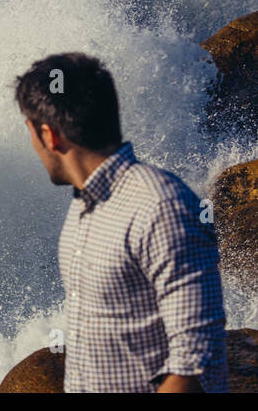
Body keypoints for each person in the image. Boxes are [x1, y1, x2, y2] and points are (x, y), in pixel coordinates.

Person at [15, 52, 227, 392]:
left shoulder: (160, 205)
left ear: (49, 136)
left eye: (29, 132)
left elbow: (194, 362)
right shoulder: (83, 210)